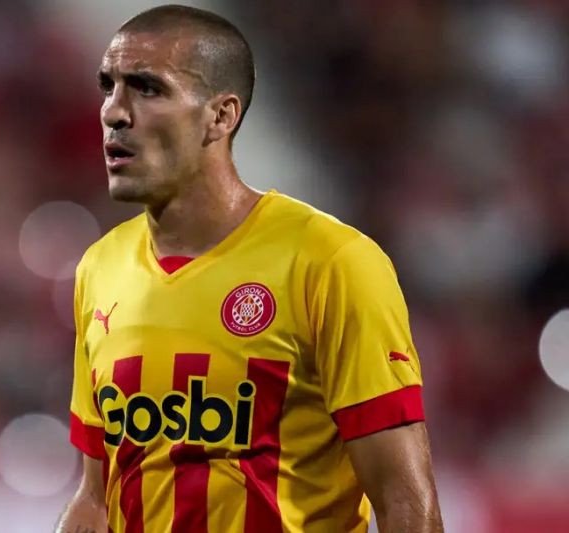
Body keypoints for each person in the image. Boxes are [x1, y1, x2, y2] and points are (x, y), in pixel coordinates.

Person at [57, 5, 443, 533]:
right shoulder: (100, 267)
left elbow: (405, 500)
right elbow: (95, 498)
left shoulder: (330, 261)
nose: (114, 112)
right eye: (108, 86)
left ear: (221, 116)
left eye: (147, 88)